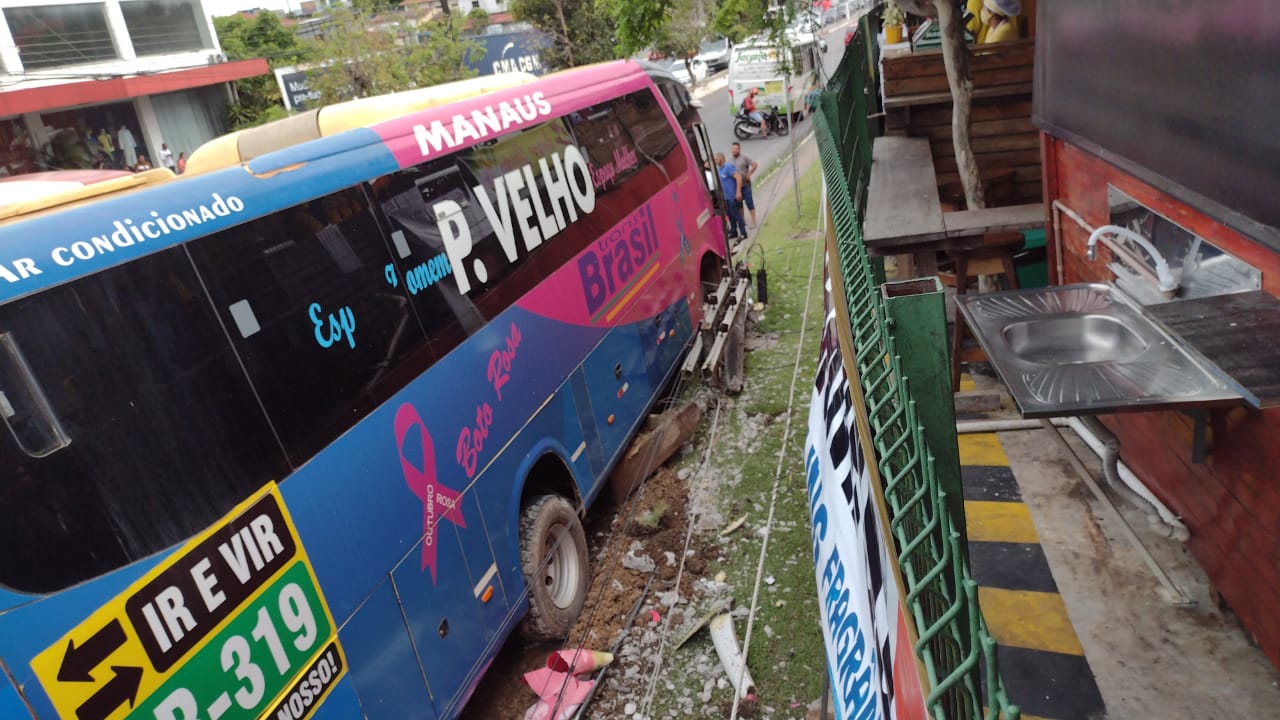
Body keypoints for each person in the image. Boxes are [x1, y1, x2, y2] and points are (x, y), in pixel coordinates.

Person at [716, 152, 746, 242]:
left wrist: (738, 192)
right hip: (726, 198)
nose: (715, 161)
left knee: (737, 214)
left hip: (733, 196)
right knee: (730, 215)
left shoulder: (728, 167)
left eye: (716, 159)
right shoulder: (719, 170)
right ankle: (734, 232)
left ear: (721, 158)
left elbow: (738, 177)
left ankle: (743, 233)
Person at [730, 142, 759, 227]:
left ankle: (754, 221)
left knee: (749, 203)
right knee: (739, 205)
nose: (734, 150)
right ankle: (743, 221)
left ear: (739, 149)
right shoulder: (729, 161)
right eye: (733, 149)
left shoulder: (744, 158)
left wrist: (749, 174)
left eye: (736, 148)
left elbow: (754, 164)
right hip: (736, 187)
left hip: (745, 184)